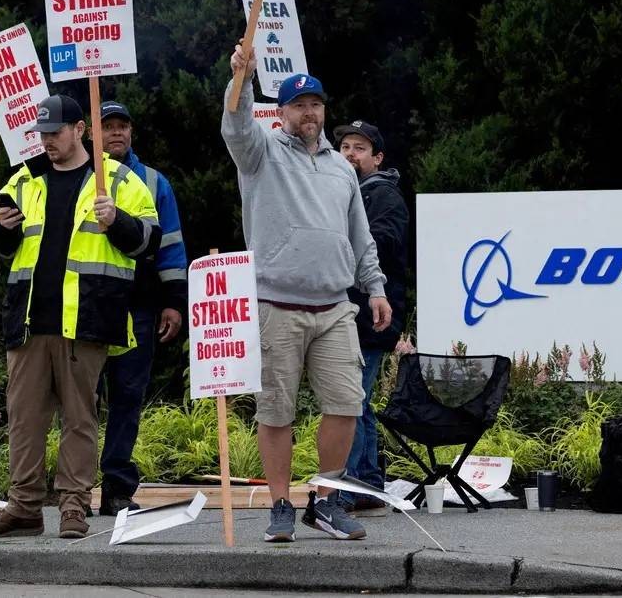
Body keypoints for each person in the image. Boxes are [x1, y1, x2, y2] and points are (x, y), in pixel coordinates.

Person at [221, 48, 392, 543]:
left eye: (315, 104)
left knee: (347, 404)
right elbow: (235, 125)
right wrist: (242, 78)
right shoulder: (260, 153)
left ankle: (326, 501)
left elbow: (360, 235)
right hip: (276, 305)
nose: (309, 113)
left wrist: (375, 287)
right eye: (298, 105)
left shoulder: (342, 168)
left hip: (336, 306)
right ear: (281, 113)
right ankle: (280, 506)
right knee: (276, 410)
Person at [0, 94, 159, 539]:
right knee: (24, 419)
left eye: (55, 132)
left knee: (79, 419)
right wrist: (2, 228)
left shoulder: (118, 180)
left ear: (79, 130)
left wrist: (118, 220)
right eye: (42, 134)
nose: (47, 141)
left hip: (87, 318)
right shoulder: (22, 180)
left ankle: (74, 505)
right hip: (29, 320)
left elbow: (150, 242)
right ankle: (24, 508)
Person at [95, 100, 188, 516]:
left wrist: (174, 301)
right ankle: (74, 489)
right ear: (91, 134)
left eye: (123, 126)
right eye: (108, 126)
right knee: (80, 402)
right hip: (87, 306)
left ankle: (116, 489)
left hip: (138, 306)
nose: (117, 132)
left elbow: (171, 244)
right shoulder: (79, 176)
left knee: (128, 397)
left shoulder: (153, 181)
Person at [334, 120, 409, 511]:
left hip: (371, 316)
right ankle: (366, 484)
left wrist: (335, 242)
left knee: (350, 401)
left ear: (377, 158)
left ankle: (349, 488)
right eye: (345, 146)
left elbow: (380, 244)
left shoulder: (383, 195)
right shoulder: (346, 192)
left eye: (359, 148)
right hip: (355, 314)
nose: (350, 154)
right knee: (358, 401)